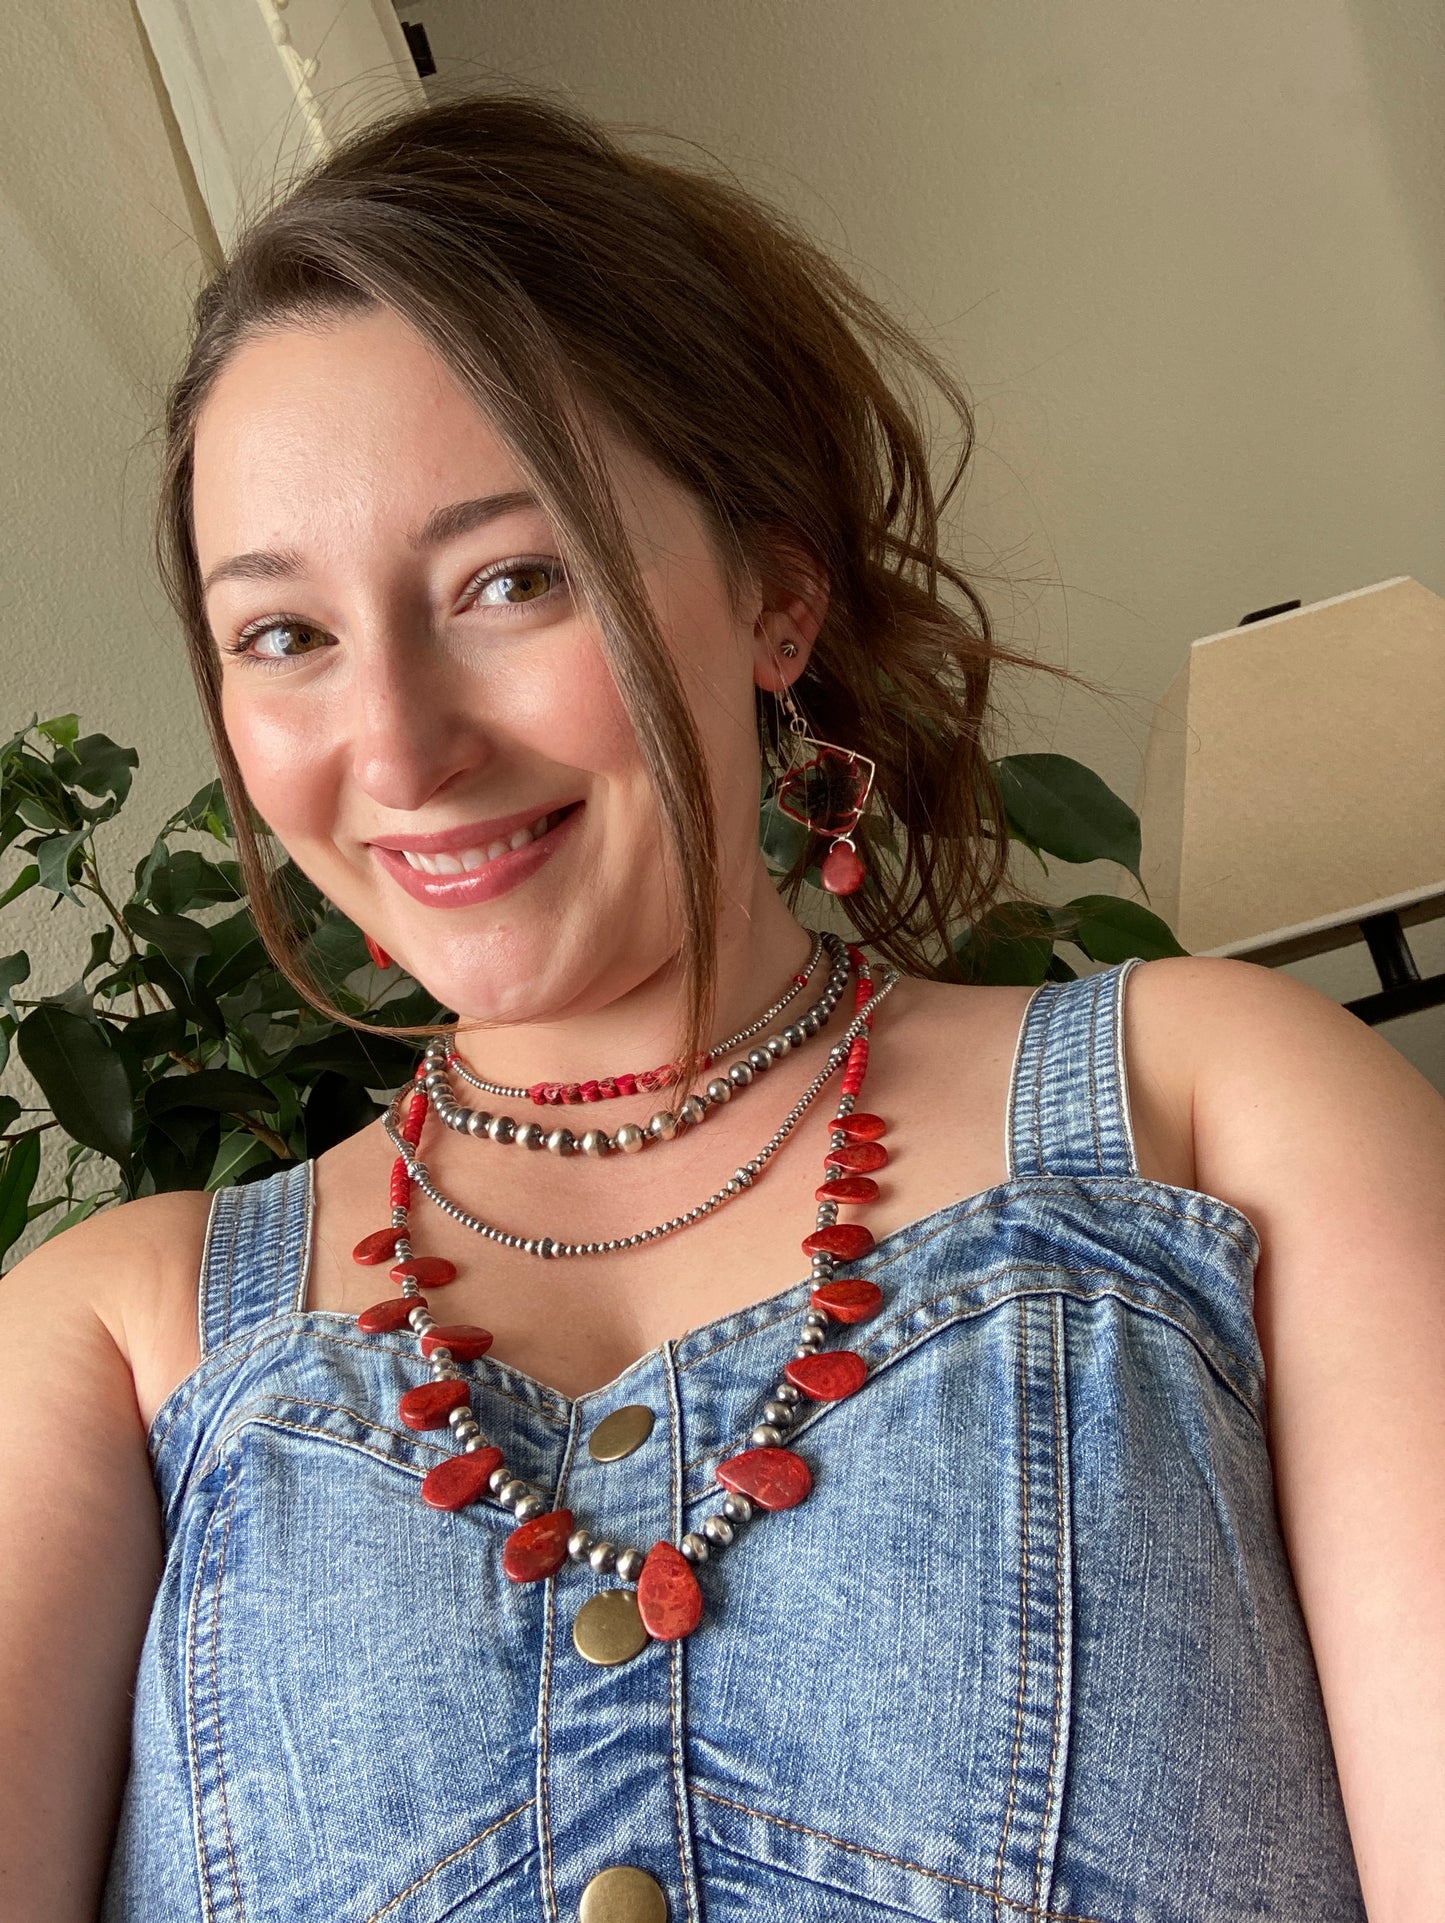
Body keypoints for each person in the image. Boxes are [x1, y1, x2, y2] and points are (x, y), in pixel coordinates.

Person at [1, 91, 1441, 1923]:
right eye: (286, 634)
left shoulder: (1221, 1110)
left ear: (771, 594)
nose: (399, 748)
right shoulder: (109, 1343)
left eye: (512, 579)